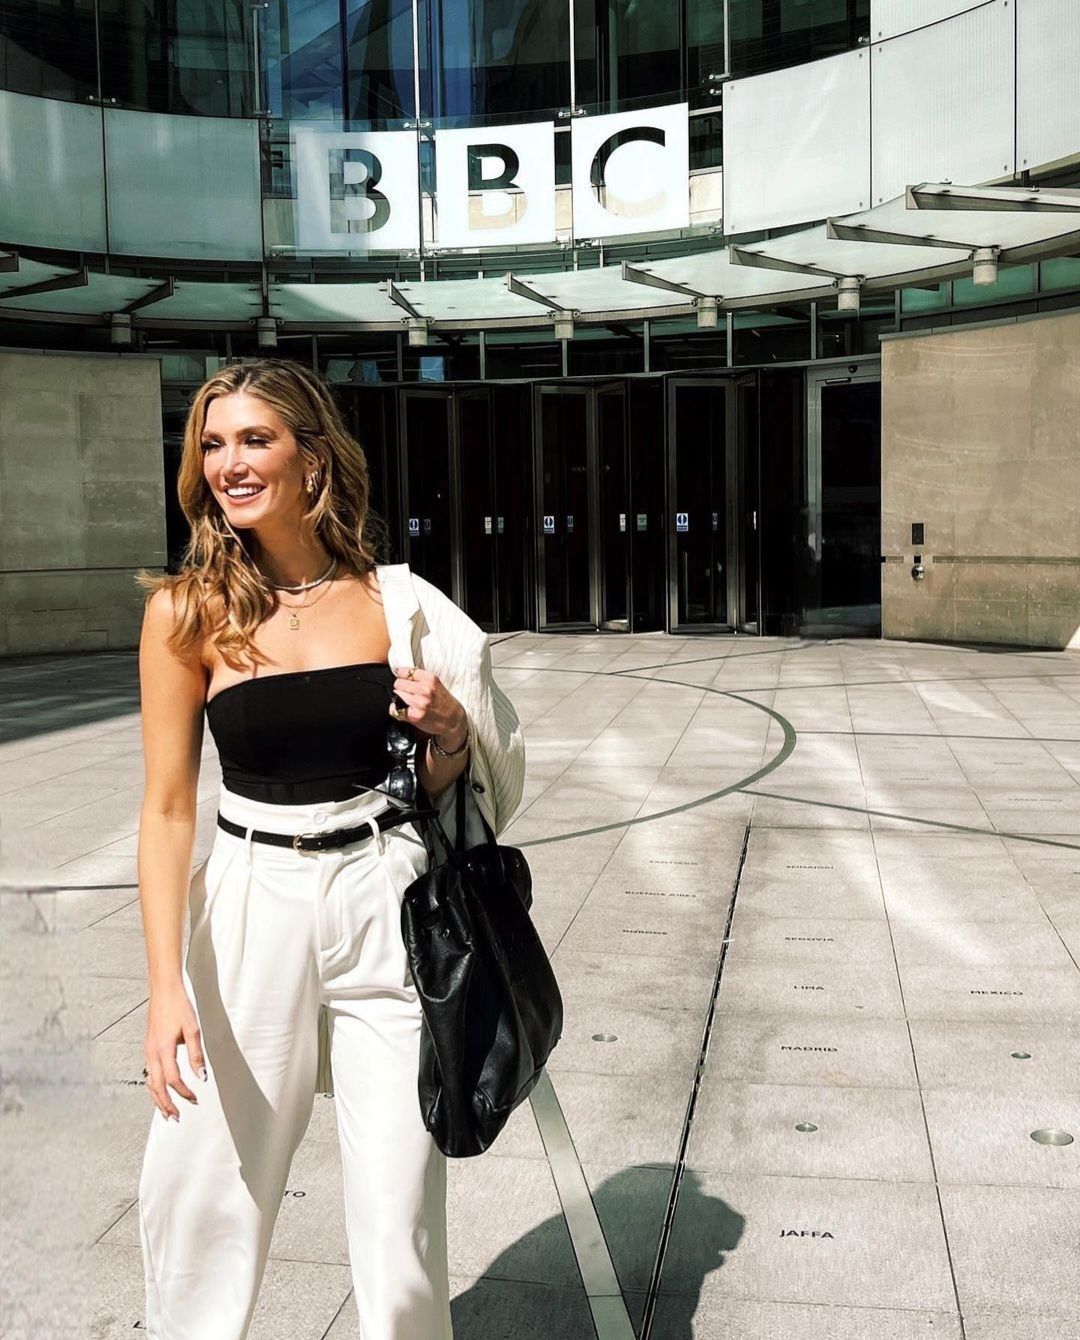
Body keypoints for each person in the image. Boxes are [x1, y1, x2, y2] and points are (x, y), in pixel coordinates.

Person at [133, 358, 524, 1340]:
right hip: (252, 898)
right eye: (212, 444)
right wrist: (165, 987)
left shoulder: (394, 604)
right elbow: (168, 810)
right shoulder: (186, 611)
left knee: (401, 1218)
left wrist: (450, 735)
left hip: (385, 896)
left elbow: (441, 789)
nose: (229, 462)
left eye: (254, 439)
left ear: (313, 458)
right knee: (209, 1193)